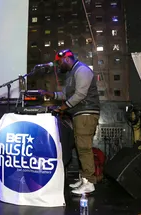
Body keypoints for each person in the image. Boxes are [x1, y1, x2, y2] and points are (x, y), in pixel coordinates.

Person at [40, 49, 100, 195]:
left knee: (84, 148)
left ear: (67, 59)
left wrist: (62, 107)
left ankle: (89, 182)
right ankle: (84, 178)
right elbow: (67, 95)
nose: (59, 66)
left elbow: (80, 94)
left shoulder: (82, 70)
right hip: (80, 114)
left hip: (86, 113)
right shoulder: (72, 74)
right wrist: (52, 94)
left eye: (59, 62)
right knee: (81, 147)